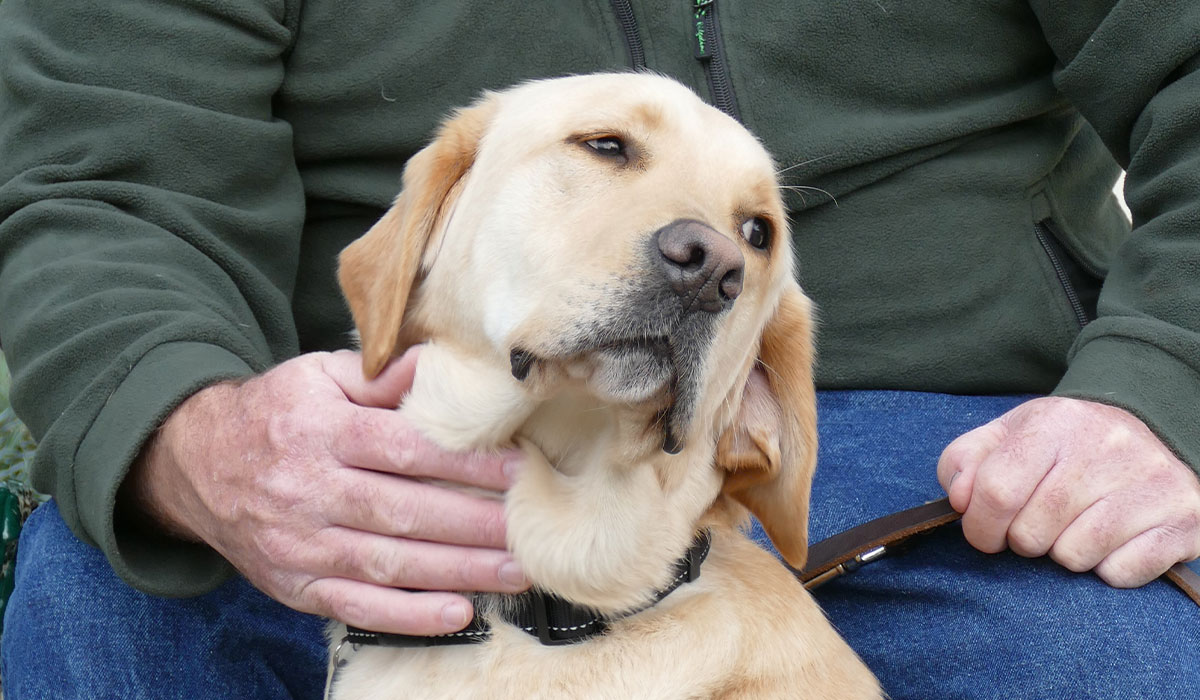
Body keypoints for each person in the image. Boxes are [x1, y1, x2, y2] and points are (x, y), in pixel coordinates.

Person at [0, 1, 1197, 698]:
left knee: (1120, 663)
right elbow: (109, 178)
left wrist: (1159, 386)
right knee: (104, 614)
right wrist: (190, 427)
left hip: (937, 451)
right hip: (375, 443)